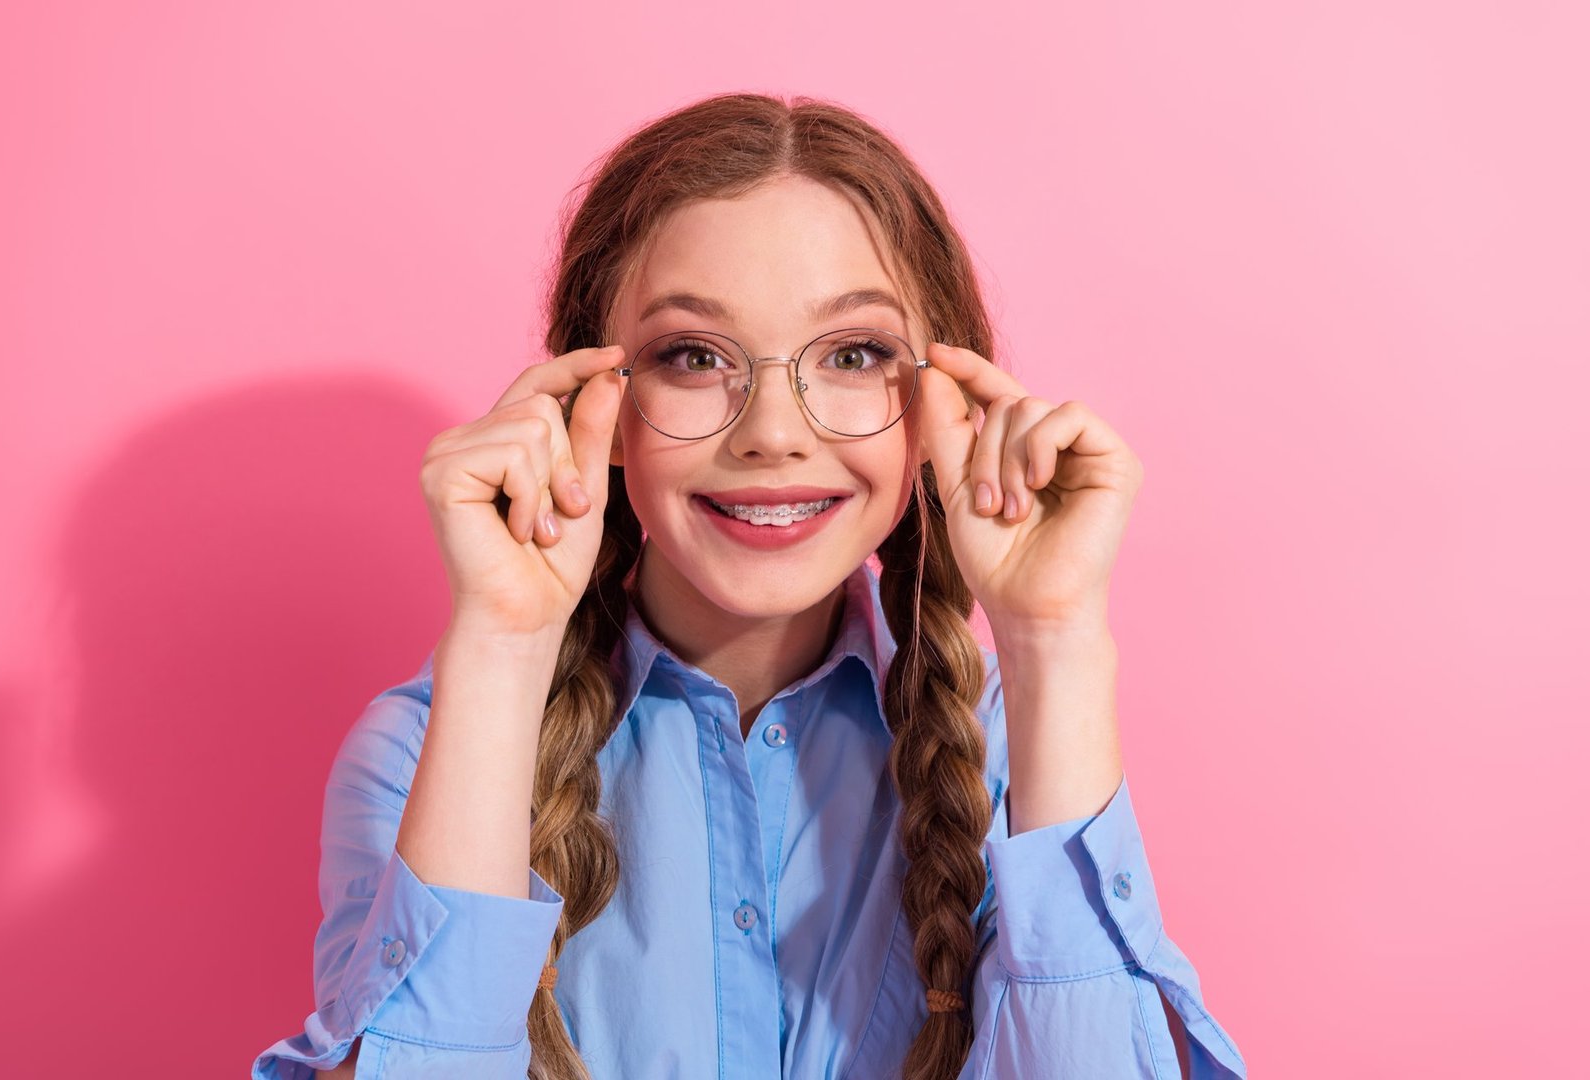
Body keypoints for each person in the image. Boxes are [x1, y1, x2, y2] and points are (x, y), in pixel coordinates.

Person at [252, 92, 1247, 1080]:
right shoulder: (429, 752)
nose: (773, 431)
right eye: (692, 356)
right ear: (590, 403)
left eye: (855, 354)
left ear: (947, 404)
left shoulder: (1015, 752)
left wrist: (1056, 641)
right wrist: (504, 647)